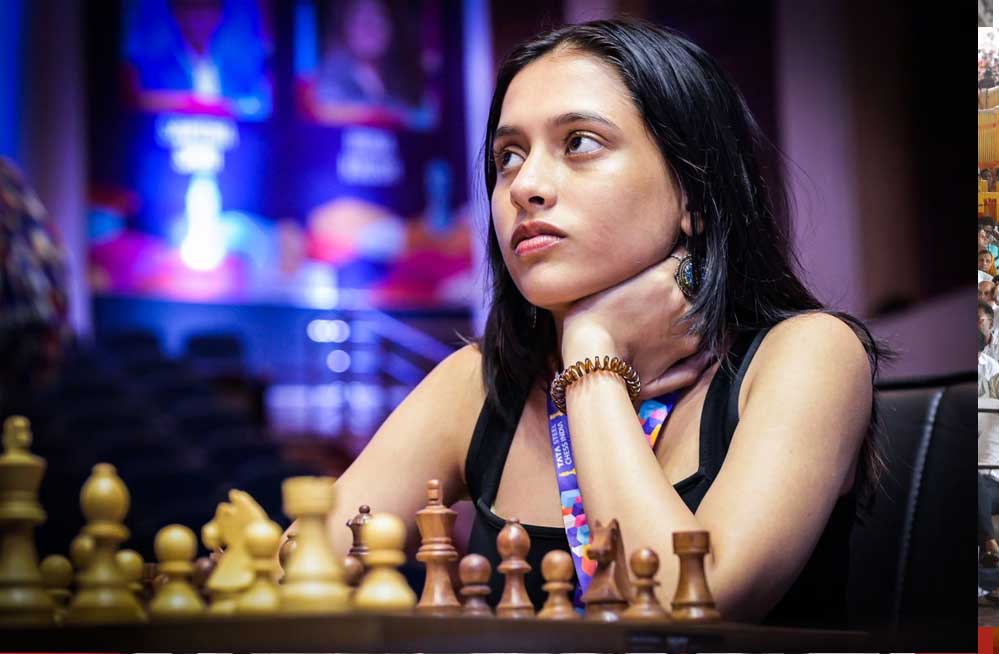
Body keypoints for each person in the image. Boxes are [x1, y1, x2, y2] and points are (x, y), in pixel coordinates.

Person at [300, 19, 889, 628]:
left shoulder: (810, 353)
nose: (525, 185)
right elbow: (293, 574)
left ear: (693, 192)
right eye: (508, 157)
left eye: (579, 143)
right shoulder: (476, 383)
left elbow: (685, 612)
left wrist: (591, 354)